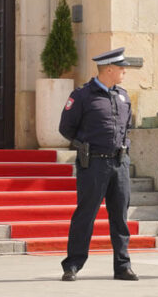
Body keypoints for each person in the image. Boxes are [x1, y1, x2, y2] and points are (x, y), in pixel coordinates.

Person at [58, 47, 138, 281]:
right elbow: (66, 128)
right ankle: (72, 264)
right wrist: (82, 145)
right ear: (109, 69)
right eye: (121, 68)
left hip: (120, 164)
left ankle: (122, 266)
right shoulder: (82, 95)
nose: (124, 71)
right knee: (86, 215)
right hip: (93, 164)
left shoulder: (123, 96)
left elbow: (127, 127)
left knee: (120, 217)